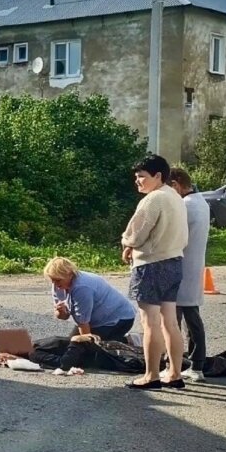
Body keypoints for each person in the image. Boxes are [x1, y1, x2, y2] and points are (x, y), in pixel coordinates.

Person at [121, 154, 188, 390]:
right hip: (174, 262)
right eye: (136, 177)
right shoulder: (175, 196)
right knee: (170, 321)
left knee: (149, 323)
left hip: (150, 264)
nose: (137, 181)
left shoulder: (153, 199)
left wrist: (127, 243)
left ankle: (151, 375)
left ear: (158, 176)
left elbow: (135, 233)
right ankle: (175, 373)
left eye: (141, 177)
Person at [170, 167, 210, 382]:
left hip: (183, 266)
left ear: (176, 184)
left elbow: (172, 235)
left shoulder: (186, 205)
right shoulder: (200, 201)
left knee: (183, 317)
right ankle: (194, 363)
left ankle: (190, 363)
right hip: (193, 265)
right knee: (190, 315)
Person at [44, 257, 136, 339]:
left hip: (119, 318)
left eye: (58, 280)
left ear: (70, 274)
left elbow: (83, 323)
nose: (55, 284)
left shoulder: (82, 287)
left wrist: (86, 347)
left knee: (94, 351)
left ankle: (131, 341)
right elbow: (63, 316)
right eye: (52, 280)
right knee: (70, 346)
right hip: (93, 319)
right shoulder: (58, 285)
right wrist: (60, 312)